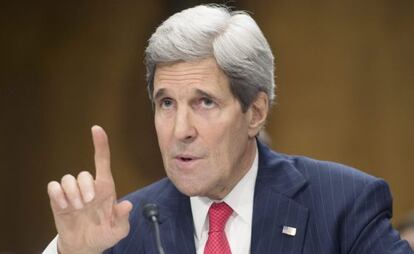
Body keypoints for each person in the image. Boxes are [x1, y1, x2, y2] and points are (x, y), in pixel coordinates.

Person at [43, 4, 413, 254]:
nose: (180, 130)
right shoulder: (124, 229)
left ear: (255, 112)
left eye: (204, 102)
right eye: (166, 103)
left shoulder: (342, 206)